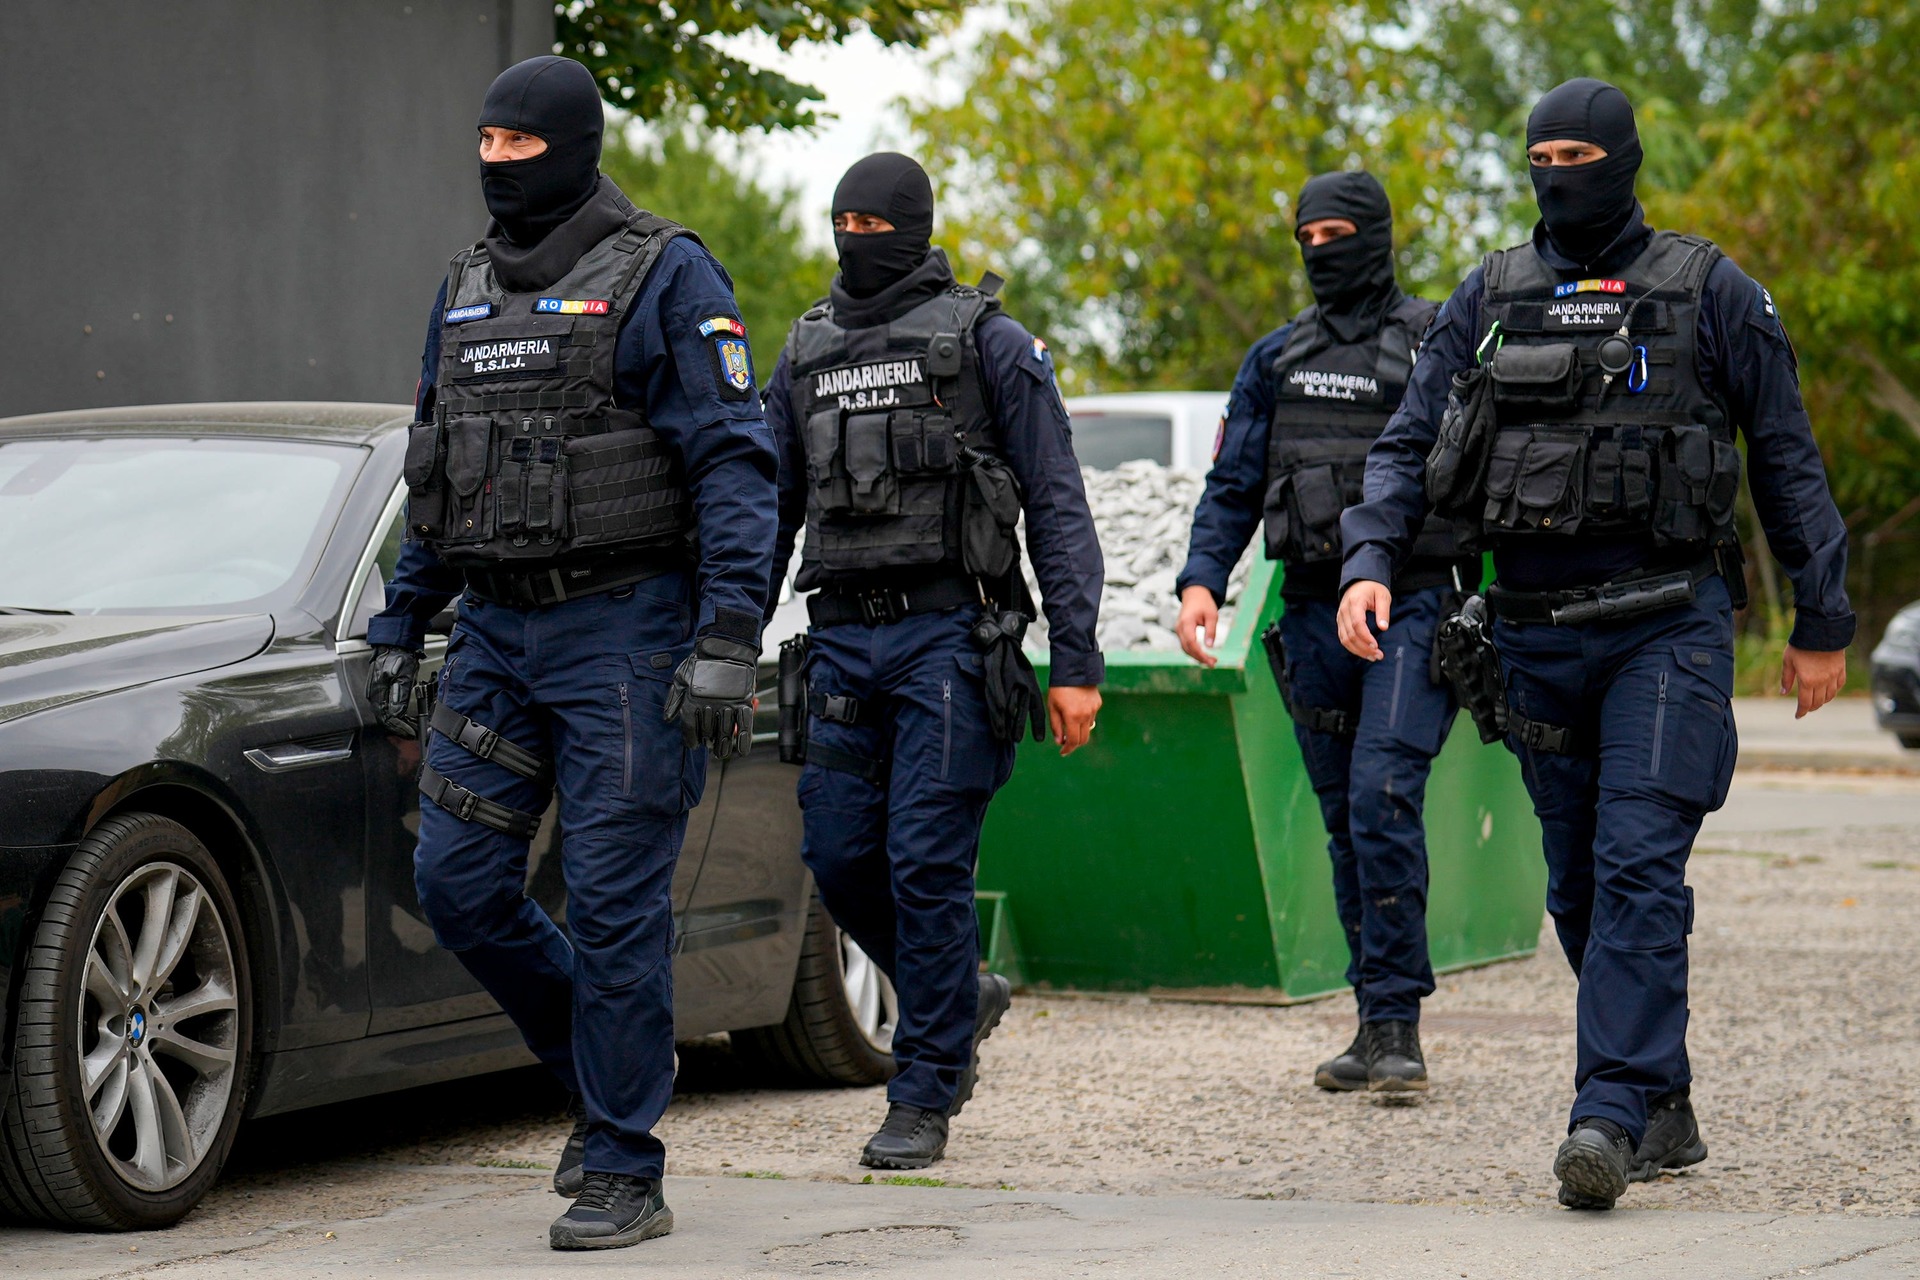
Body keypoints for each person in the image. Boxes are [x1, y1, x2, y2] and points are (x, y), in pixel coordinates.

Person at [1336, 78, 1852, 1209]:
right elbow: (1406, 442)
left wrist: (1822, 619)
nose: (1558, 171)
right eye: (1542, 153)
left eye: (1579, 152)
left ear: (1622, 157)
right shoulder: (1492, 293)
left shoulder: (1709, 290)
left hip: (1666, 622)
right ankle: (1663, 1099)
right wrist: (1371, 559)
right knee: (1578, 881)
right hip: (1531, 635)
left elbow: (1787, 455)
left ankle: (1606, 1113)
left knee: (1633, 863)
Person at [364, 55, 778, 1249]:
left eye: (517, 147)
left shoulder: (666, 273)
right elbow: (440, 472)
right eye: (483, 147)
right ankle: (601, 1079)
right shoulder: (463, 287)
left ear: (572, 144)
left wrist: (729, 639)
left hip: (624, 635)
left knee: (612, 905)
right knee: (458, 881)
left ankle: (624, 1159)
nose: (496, 166)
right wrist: (402, 619)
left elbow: (735, 468)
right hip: (493, 631)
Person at [762, 152, 1105, 1170]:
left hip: (951, 637)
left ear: (913, 227)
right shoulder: (806, 350)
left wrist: (1077, 658)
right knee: (835, 854)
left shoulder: (988, 342)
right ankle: (960, 986)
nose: (857, 237)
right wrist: (723, 634)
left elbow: (1057, 502)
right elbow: (769, 508)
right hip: (839, 638)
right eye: (844, 220)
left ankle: (922, 1088)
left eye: (877, 221)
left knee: (924, 860)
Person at [1175, 172, 1477, 1095]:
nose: (1321, 250)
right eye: (1307, 235)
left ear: (1377, 235)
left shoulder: (1435, 342)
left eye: (1338, 232)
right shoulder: (1276, 359)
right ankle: (1377, 1019)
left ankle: (1400, 1027)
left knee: (1384, 792)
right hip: (1309, 610)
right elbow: (1232, 484)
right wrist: (1201, 582)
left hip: (1413, 602)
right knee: (1351, 819)